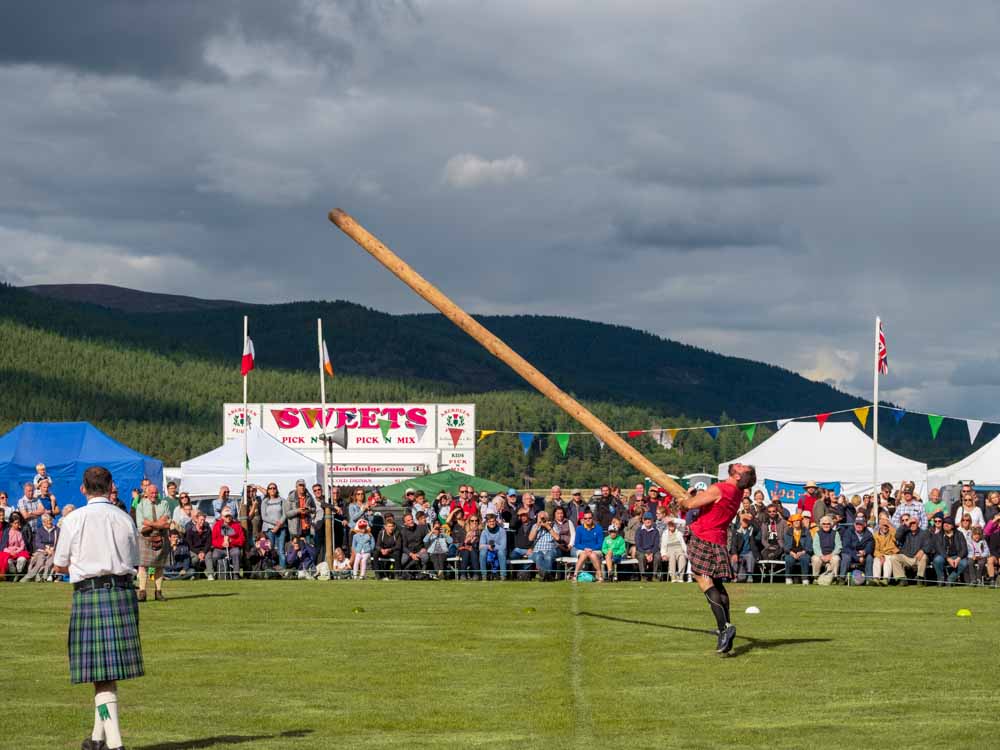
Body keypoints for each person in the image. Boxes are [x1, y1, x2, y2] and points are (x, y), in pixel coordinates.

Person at [52, 466, 142, 750]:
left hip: (90, 595)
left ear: (83, 489)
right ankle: (96, 739)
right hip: (122, 593)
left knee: (101, 677)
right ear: (111, 486)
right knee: (104, 676)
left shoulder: (73, 520)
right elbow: (134, 559)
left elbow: (58, 564)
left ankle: (115, 745)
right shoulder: (125, 518)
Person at [680, 463, 756, 654]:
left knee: (704, 581)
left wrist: (687, 497)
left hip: (703, 537)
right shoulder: (737, 493)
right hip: (719, 539)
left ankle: (724, 628)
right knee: (718, 585)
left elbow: (689, 505)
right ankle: (726, 625)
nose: (737, 464)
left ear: (738, 476)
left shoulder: (720, 489)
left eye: (741, 466)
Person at [134, 484, 170, 602]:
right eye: (152, 493)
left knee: (159, 565)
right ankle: (142, 592)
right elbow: (141, 527)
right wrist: (158, 525)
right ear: (147, 493)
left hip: (161, 537)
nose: (154, 495)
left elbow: (166, 522)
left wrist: (149, 523)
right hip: (146, 538)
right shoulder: (141, 505)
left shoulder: (164, 503)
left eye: (156, 493)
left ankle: (158, 592)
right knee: (143, 566)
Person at [22, 512, 59, 582]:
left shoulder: (57, 530)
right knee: (40, 562)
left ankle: (44, 577)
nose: (49, 523)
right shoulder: (39, 531)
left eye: (50, 520)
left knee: (49, 562)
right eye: (47, 521)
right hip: (42, 550)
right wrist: (45, 549)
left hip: (53, 551)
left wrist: (53, 549)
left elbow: (60, 541)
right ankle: (29, 577)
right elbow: (38, 543)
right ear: (43, 523)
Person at [931, 516, 968, 586]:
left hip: (956, 556)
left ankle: (950, 579)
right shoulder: (938, 535)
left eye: (948, 523)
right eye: (944, 523)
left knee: (964, 563)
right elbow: (939, 549)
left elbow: (964, 548)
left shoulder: (959, 534)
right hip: (943, 556)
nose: (945, 525)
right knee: (937, 560)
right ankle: (941, 579)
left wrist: (958, 558)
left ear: (952, 526)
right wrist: (948, 558)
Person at [211, 506, 246, 578]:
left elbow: (242, 540)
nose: (228, 518)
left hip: (233, 547)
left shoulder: (237, 525)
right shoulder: (217, 525)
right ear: (222, 517)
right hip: (220, 548)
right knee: (215, 556)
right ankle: (216, 572)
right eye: (226, 516)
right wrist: (222, 543)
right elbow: (213, 540)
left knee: (236, 552)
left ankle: (236, 574)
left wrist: (231, 541)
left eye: (229, 516)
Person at [839, 513, 875, 581]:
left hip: (863, 554)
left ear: (864, 524)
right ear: (854, 524)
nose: (858, 525)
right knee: (846, 557)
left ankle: (869, 580)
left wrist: (864, 552)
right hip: (850, 553)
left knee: (869, 557)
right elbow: (846, 547)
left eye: (860, 524)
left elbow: (870, 546)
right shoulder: (848, 532)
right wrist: (857, 557)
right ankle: (842, 578)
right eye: (857, 524)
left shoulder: (869, 534)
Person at [572, 509, 605, 582]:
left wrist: (591, 549)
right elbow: (577, 544)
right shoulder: (579, 529)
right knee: (583, 554)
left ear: (592, 518)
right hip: (582, 550)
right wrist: (585, 548)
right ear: (583, 519)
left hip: (595, 550)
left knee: (592, 555)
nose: (588, 520)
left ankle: (600, 576)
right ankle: (575, 575)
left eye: (589, 518)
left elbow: (600, 544)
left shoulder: (598, 528)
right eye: (586, 518)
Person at [895, 517, 930, 585]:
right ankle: (902, 579)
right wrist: (906, 524)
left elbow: (929, 545)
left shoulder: (924, 533)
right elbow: (897, 536)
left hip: (917, 558)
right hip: (907, 557)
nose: (912, 525)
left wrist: (922, 550)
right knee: (894, 558)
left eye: (914, 523)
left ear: (918, 523)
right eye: (910, 523)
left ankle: (920, 578)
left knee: (924, 556)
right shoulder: (905, 532)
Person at [728, 512, 759, 583]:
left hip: (748, 552)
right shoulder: (736, 531)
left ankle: (750, 575)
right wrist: (734, 553)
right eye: (743, 521)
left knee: (750, 556)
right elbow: (733, 544)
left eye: (746, 521)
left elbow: (758, 528)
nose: (745, 522)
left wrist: (751, 519)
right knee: (733, 558)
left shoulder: (751, 529)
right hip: (739, 553)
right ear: (740, 522)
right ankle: (734, 575)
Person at [810, 515, 842, 583]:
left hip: (832, 555)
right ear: (821, 525)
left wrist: (831, 555)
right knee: (815, 559)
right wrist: (821, 556)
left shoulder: (836, 533)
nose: (826, 525)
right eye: (824, 524)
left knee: (836, 559)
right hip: (820, 555)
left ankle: (834, 578)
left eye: (828, 524)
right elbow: (815, 547)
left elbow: (838, 546)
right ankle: (815, 578)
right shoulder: (818, 534)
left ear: (831, 524)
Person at [783, 514, 812, 584]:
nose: (796, 522)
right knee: (788, 559)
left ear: (801, 522)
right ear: (792, 523)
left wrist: (802, 552)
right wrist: (791, 552)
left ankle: (805, 578)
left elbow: (809, 545)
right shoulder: (788, 532)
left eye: (798, 521)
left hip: (803, 552)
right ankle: (788, 577)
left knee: (805, 558)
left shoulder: (806, 531)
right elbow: (785, 546)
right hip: (791, 552)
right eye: (794, 521)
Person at [0, 512, 30, 579]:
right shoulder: (6, 532)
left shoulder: (21, 532)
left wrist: (16, 551)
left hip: (19, 551)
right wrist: (10, 552)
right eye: (15, 523)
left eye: (18, 523)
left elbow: (23, 545)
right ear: (11, 524)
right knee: (8, 561)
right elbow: (3, 546)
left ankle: (18, 573)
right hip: (8, 552)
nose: (17, 525)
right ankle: (13, 574)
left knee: (22, 559)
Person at [184, 510, 214, 579]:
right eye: (201, 520)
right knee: (195, 559)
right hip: (194, 550)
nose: (202, 522)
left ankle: (210, 574)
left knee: (208, 556)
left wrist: (203, 552)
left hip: (205, 549)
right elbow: (190, 545)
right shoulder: (190, 530)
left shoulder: (207, 530)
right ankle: (195, 574)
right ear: (196, 519)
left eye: (204, 520)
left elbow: (208, 543)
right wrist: (198, 553)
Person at [527, 511, 557, 578]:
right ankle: (547, 576)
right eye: (540, 518)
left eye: (543, 518)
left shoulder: (553, 525)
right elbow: (530, 538)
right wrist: (537, 525)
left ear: (547, 518)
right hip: (537, 551)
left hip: (550, 550)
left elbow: (557, 538)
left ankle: (545, 575)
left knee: (548, 557)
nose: (542, 519)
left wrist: (548, 527)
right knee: (538, 556)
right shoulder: (535, 526)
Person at [872, 515, 900, 585]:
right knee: (876, 560)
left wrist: (889, 524)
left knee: (888, 560)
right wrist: (880, 556)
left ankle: (885, 579)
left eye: (886, 526)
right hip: (880, 554)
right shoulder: (875, 535)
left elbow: (897, 536)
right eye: (883, 525)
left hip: (890, 554)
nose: (885, 527)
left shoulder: (892, 533)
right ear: (880, 526)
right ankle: (876, 579)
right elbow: (875, 549)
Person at [479, 513, 508, 580]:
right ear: (487, 522)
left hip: (499, 552)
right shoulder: (484, 532)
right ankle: (484, 575)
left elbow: (503, 547)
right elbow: (481, 546)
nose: (492, 523)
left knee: (501, 552)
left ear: (496, 521)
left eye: (493, 521)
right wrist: (488, 547)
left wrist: (492, 546)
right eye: (490, 521)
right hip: (489, 552)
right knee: (483, 552)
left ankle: (503, 575)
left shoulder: (502, 531)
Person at [635, 512, 661, 580]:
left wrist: (651, 553)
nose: (647, 521)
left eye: (649, 519)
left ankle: (655, 575)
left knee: (658, 556)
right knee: (641, 556)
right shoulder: (639, 530)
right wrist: (646, 554)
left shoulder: (656, 531)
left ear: (652, 520)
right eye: (646, 519)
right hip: (641, 550)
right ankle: (643, 576)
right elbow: (638, 545)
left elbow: (656, 545)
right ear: (643, 520)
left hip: (652, 550)